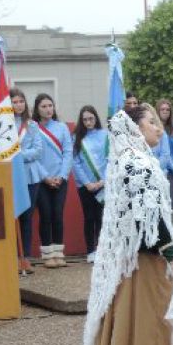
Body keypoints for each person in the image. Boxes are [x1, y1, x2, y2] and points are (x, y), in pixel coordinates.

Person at [82, 105, 173, 345]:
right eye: (152, 122)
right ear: (135, 129)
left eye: (159, 122)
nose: (159, 128)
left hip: (127, 262)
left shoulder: (124, 161)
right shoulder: (138, 164)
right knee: (148, 332)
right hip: (143, 265)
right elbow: (151, 220)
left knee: (126, 332)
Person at [33, 93, 73, 268]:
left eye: (50, 105)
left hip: (60, 178)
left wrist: (62, 176)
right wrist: (46, 178)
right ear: (37, 109)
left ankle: (58, 253)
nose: (48, 109)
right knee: (46, 215)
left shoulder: (62, 127)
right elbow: (33, 156)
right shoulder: (33, 128)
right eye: (44, 106)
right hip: (42, 180)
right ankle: (47, 255)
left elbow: (68, 152)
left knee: (57, 215)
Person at [10, 89, 44, 274]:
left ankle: (26, 258)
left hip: (30, 177)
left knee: (26, 218)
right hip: (10, 177)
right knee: (11, 217)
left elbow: (38, 151)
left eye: (21, 101)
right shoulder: (3, 126)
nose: (19, 105)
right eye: (15, 101)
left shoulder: (31, 125)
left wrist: (17, 156)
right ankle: (13, 257)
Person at [72, 106, 109, 262]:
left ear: (96, 118)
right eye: (85, 119)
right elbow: (76, 162)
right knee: (89, 218)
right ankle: (90, 251)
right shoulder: (76, 138)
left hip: (104, 184)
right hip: (85, 186)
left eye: (91, 118)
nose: (88, 122)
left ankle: (102, 250)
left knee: (102, 218)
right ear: (82, 121)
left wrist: (103, 181)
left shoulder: (106, 135)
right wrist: (87, 183)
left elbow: (110, 159)